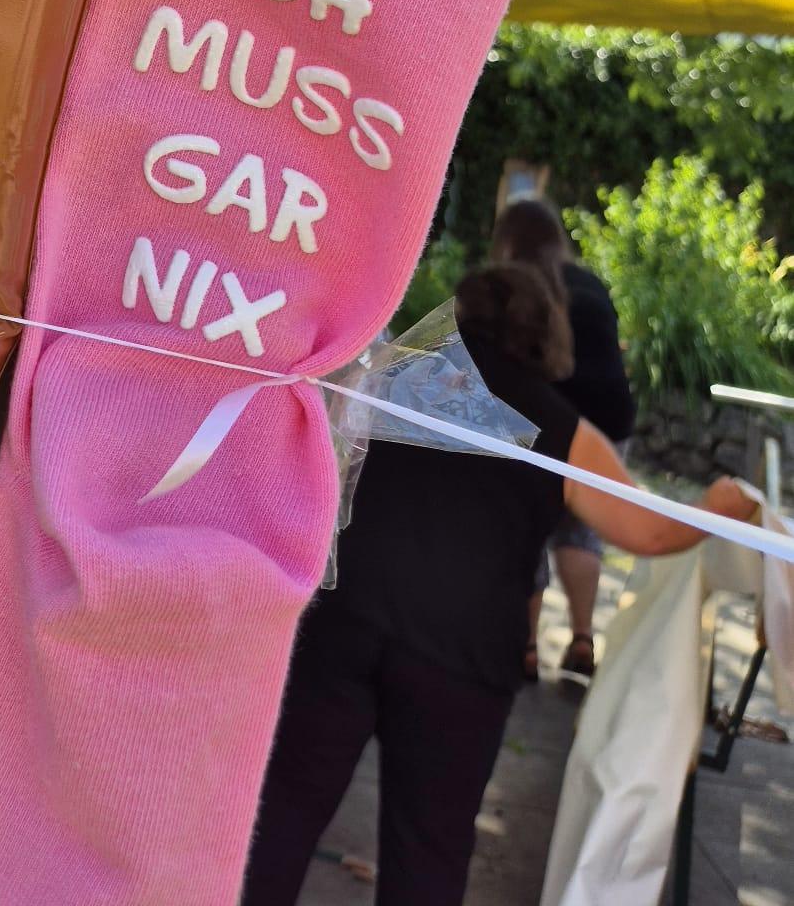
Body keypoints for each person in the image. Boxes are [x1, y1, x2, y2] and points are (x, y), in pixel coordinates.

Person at [242, 263, 755, 906]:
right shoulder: (563, 428)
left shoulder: (389, 377)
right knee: (428, 850)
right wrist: (715, 506)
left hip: (345, 623)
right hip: (462, 661)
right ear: (549, 335)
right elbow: (647, 532)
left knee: (280, 816)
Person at [492, 193, 635, 680]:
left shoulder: (521, 288)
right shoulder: (590, 283)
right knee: (581, 531)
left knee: (527, 528)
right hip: (611, 423)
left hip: (551, 422)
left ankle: (527, 648)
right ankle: (582, 639)